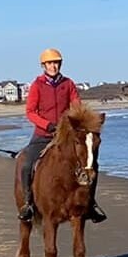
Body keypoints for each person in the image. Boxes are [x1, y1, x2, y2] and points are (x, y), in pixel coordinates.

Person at [16, 48, 107, 223]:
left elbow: (76, 107)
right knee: (27, 164)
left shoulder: (68, 84)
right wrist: (47, 125)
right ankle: (28, 203)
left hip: (66, 136)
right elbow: (30, 112)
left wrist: (78, 123)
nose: (53, 66)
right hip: (43, 134)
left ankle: (91, 204)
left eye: (56, 63)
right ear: (44, 65)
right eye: (50, 63)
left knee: (91, 164)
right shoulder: (37, 85)